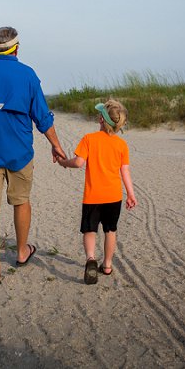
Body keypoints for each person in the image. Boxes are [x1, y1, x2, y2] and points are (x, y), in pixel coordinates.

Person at [0, 26, 66, 285]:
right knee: (21, 201)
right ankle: (21, 252)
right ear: (16, 47)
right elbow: (42, 117)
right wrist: (56, 145)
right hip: (19, 151)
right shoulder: (28, 75)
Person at [58, 99, 137, 285]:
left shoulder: (89, 139)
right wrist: (131, 194)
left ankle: (91, 259)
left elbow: (78, 163)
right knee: (110, 230)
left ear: (102, 119)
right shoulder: (121, 145)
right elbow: (124, 171)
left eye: (99, 113)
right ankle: (107, 265)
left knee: (90, 230)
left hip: (93, 196)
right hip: (114, 197)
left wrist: (63, 163)